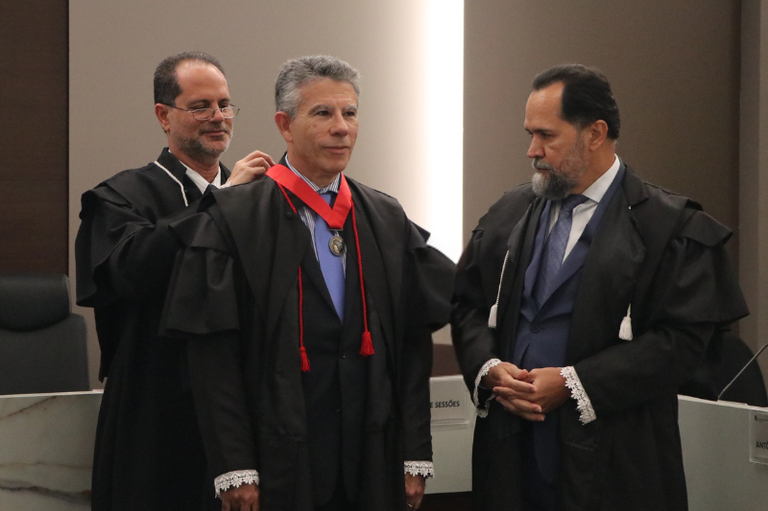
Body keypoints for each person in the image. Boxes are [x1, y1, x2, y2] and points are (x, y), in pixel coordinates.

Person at [160, 55, 454, 511]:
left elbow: (412, 345)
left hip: (370, 456)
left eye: (350, 113)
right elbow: (212, 358)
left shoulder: (385, 217)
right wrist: (234, 466)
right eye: (323, 113)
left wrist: (414, 454)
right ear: (285, 124)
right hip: (275, 459)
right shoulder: (234, 218)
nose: (342, 128)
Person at [450, 64, 748, 511]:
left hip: (616, 455)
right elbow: (468, 305)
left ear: (595, 134)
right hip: (512, 452)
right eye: (530, 134)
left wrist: (575, 383)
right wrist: (488, 366)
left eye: (547, 136)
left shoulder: (668, 226)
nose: (532, 150)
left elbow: (681, 344)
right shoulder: (510, 212)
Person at [75, 51, 274, 511]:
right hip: (155, 407)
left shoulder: (258, 199)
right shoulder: (120, 196)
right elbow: (129, 270)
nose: (218, 118)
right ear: (164, 116)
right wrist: (222, 201)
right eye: (201, 106)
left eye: (225, 105)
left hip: (240, 406)